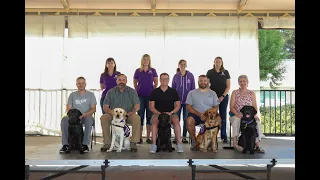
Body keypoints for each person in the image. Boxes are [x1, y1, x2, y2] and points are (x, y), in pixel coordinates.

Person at [100, 74, 141, 152]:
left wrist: (127, 114)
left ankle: (133, 143)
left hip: (128, 115)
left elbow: (137, 105)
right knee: (104, 117)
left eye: (123, 80)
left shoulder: (132, 91)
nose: (121, 81)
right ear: (116, 81)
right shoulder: (110, 92)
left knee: (137, 118)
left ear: (126, 81)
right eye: (119, 80)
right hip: (113, 115)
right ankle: (107, 143)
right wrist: (113, 114)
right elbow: (105, 107)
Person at [59, 76, 97, 153]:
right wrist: (74, 115)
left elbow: (93, 108)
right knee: (64, 119)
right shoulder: (72, 95)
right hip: (74, 116)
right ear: (76, 85)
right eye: (79, 83)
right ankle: (65, 145)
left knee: (89, 120)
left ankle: (84, 144)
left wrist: (84, 114)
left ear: (85, 84)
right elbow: (68, 108)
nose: (81, 85)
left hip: (86, 115)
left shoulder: (91, 95)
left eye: (82, 83)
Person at [229, 75, 265, 153]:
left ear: (247, 82)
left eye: (244, 81)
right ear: (238, 83)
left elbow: (255, 106)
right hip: (237, 114)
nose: (242, 83)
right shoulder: (235, 92)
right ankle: (235, 144)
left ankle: (257, 144)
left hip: (249, 116)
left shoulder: (252, 93)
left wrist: (255, 115)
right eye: (241, 81)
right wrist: (237, 114)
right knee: (237, 120)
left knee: (257, 122)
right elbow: (231, 107)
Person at [149, 73, 184, 153]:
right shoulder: (154, 92)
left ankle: (179, 144)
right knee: (154, 123)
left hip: (170, 114)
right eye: (162, 79)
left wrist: (171, 112)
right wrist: (160, 114)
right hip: (158, 114)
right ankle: (154, 145)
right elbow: (151, 107)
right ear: (160, 80)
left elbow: (178, 105)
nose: (164, 80)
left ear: (168, 80)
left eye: (166, 79)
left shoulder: (173, 91)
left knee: (176, 123)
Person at [185, 75, 220, 150]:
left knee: (219, 119)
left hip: (209, 116)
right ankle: (194, 141)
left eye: (205, 81)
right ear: (198, 82)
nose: (203, 82)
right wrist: (199, 114)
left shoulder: (213, 93)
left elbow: (216, 107)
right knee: (189, 120)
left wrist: (208, 115)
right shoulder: (191, 93)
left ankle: (212, 141)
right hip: (196, 115)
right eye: (201, 81)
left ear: (207, 82)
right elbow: (188, 107)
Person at [133, 54, 158, 144]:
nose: (145, 61)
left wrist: (152, 91)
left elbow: (156, 83)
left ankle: (148, 137)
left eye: (147, 59)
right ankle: (139, 138)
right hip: (140, 96)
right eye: (144, 59)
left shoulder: (153, 70)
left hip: (150, 97)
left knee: (149, 117)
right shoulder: (137, 71)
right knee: (140, 116)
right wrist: (138, 90)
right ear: (142, 60)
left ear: (149, 61)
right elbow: (135, 83)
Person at [206, 56, 231, 143]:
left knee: (223, 117)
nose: (218, 63)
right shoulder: (210, 72)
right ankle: (212, 136)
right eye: (216, 61)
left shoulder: (225, 72)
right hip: (212, 98)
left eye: (219, 62)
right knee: (212, 116)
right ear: (214, 62)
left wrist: (222, 96)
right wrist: (212, 95)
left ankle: (223, 136)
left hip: (223, 98)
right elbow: (207, 84)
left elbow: (228, 86)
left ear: (222, 63)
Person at [172, 59, 195, 144]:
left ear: (186, 65)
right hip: (177, 102)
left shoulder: (190, 76)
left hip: (187, 102)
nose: (183, 66)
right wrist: (173, 101)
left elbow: (193, 89)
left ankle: (184, 137)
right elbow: (173, 89)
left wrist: (192, 102)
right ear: (178, 65)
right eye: (181, 64)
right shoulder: (176, 76)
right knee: (176, 119)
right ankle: (176, 136)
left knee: (186, 119)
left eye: (184, 64)